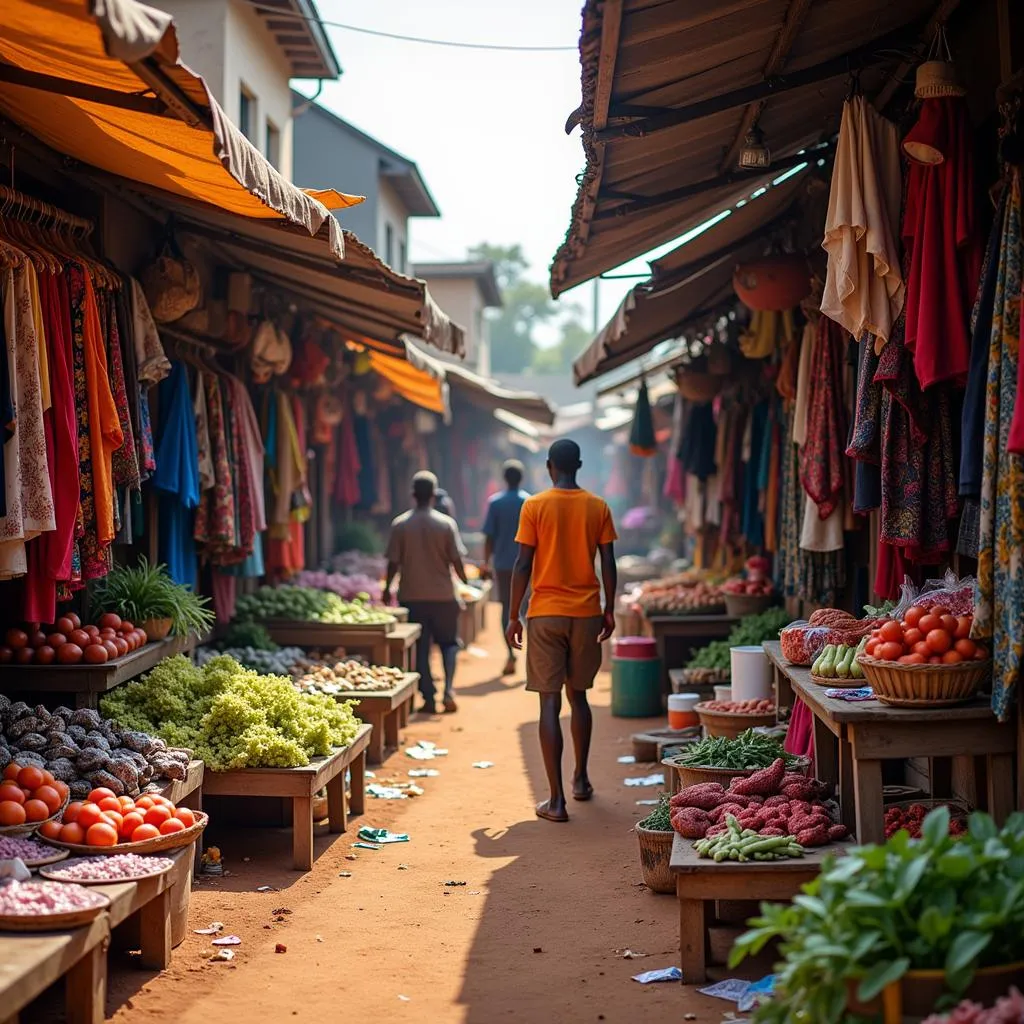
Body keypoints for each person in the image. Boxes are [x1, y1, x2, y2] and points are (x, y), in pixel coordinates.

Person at [506, 439, 617, 823]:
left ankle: (556, 802)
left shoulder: (534, 505)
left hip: (545, 615)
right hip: (586, 613)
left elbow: (522, 565)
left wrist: (512, 616)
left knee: (549, 703)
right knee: (580, 697)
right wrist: (610, 609)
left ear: (551, 466)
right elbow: (609, 563)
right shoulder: (598, 506)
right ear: (580, 465)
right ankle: (581, 780)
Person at [385, 471, 468, 714]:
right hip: (443, 596)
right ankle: (449, 690)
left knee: (419, 647)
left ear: (413, 495)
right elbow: (457, 562)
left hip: (412, 596)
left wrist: (386, 587)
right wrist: (465, 582)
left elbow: (393, 563)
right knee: (449, 644)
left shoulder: (401, 524)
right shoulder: (446, 524)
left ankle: (429, 697)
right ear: (433, 495)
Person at [483, 459, 530, 676]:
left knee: (507, 609)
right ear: (522, 478)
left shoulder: (495, 503)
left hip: (503, 565)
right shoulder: (530, 502)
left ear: (505, 478)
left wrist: (486, 563)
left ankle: (511, 655)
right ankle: (533, 655)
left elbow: (489, 537)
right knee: (527, 608)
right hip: (528, 564)